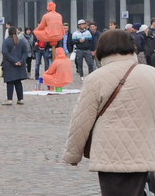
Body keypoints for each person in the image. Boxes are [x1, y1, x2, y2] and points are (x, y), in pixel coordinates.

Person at [63, 29, 155, 196]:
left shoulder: (96, 78)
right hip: (144, 151)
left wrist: (73, 154)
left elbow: (81, 121)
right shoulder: (151, 74)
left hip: (110, 154)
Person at [1, 26, 29, 105]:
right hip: (20, 65)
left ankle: (9, 99)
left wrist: (14, 61)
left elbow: (5, 53)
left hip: (9, 65)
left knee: (10, 82)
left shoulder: (6, 41)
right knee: (18, 82)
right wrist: (21, 61)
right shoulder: (21, 41)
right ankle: (20, 99)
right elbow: (26, 52)